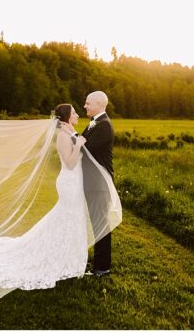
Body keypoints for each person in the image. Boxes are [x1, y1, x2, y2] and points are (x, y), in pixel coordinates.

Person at [0, 104, 107, 291]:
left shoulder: (68, 131)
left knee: (71, 219)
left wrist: (77, 139)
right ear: (66, 117)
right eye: (74, 113)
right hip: (69, 183)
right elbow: (70, 164)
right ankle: (58, 256)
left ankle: (68, 257)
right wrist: (79, 145)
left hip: (75, 183)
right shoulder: (62, 137)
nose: (78, 114)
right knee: (67, 217)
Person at [82, 90, 115, 276]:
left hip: (99, 183)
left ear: (100, 104)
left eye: (88, 103)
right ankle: (98, 263)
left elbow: (84, 148)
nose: (85, 106)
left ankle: (102, 267)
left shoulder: (103, 126)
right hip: (92, 182)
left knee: (101, 224)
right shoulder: (95, 123)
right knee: (96, 222)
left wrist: (68, 134)